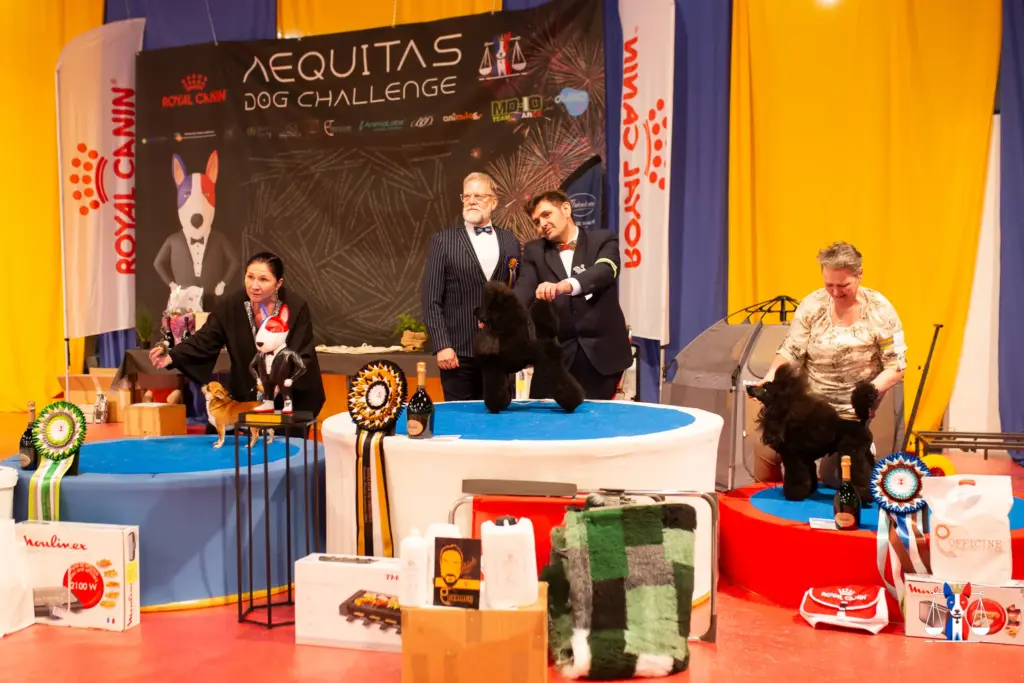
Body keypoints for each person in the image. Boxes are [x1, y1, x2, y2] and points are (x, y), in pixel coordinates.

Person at [759, 241, 907, 485]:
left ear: (859, 275)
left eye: (843, 285)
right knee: (781, 456)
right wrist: (771, 375)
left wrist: (870, 394)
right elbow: (791, 349)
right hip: (810, 406)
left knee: (836, 479)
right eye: (829, 285)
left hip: (853, 411)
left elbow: (896, 366)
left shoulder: (881, 310)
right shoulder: (812, 305)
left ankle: (862, 452)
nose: (836, 292)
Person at [148, 252, 326, 418]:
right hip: (245, 393)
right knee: (232, 434)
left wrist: (280, 381)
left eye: (263, 279)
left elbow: (301, 352)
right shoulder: (231, 305)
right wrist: (173, 356)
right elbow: (205, 338)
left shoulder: (295, 307)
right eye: (250, 277)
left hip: (290, 396)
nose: (254, 285)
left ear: (278, 283)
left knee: (281, 439)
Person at [513, 190, 632, 400]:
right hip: (556, 355)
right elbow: (524, 288)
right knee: (543, 416)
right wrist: (501, 313)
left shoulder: (603, 239)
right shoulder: (534, 250)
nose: (542, 224)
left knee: (597, 417)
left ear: (566, 209)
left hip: (602, 354)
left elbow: (606, 270)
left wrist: (565, 285)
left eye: (546, 214)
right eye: (537, 221)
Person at [421, 172, 522, 401]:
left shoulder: (510, 241)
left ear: (494, 202)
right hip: (457, 354)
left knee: (499, 415)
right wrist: (442, 345)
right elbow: (431, 300)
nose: (471, 201)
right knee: (461, 418)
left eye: (479, 196)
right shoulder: (443, 241)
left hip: (499, 351)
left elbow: (515, 296)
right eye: (466, 196)